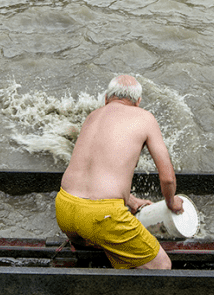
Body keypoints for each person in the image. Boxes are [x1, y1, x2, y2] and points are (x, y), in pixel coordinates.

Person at [56, 74, 183, 269]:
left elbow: (93, 169)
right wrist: (171, 202)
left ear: (106, 97)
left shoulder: (93, 116)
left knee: (96, 237)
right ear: (138, 102)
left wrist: (130, 200)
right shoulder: (145, 118)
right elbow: (167, 179)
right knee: (162, 265)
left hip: (65, 209)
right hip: (102, 216)